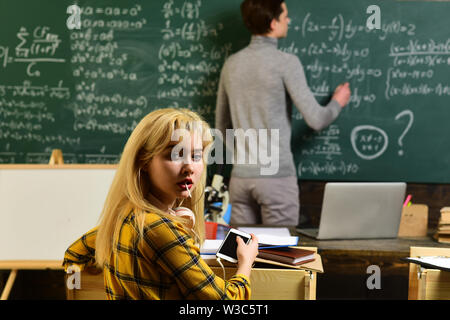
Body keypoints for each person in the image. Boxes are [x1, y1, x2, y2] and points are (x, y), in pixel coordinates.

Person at [63, 108, 259, 300]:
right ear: (144, 161)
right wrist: (245, 263)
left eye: (196, 156)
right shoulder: (160, 230)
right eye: (175, 155)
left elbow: (73, 254)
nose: (189, 167)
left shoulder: (125, 217)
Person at [215, 0, 351, 226]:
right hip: (276, 179)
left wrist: (243, 160)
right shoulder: (286, 63)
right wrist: (337, 102)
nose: (288, 20)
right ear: (272, 22)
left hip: (239, 180)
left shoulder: (231, 64)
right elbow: (316, 119)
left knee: (239, 253)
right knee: (279, 257)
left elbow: (221, 128)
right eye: (285, 15)